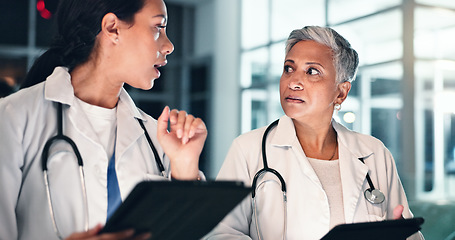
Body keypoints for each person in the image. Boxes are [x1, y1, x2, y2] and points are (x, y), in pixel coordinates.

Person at [0, 0, 207, 239]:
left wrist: (185, 168)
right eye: (158, 27)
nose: (169, 45)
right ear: (112, 28)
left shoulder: (156, 136)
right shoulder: (14, 118)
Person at [204, 26, 423, 240]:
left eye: (312, 71)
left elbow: (408, 232)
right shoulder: (248, 149)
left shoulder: (374, 153)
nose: (293, 82)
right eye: (289, 68)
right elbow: (220, 233)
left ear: (341, 92)